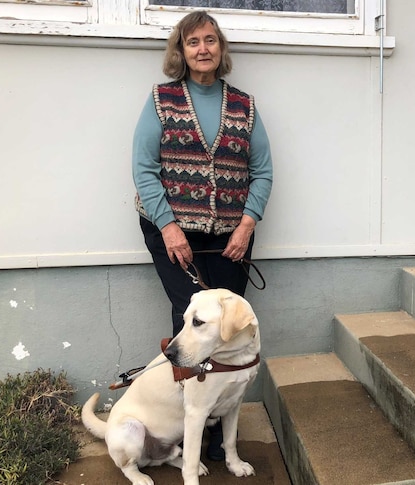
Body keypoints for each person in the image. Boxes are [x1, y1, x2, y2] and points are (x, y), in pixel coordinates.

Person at [131, 10, 273, 462]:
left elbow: (263, 171)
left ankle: (215, 439)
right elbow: (144, 170)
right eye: (193, 42)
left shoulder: (244, 106)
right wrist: (169, 227)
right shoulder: (162, 99)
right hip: (172, 233)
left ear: (221, 47)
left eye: (211, 40)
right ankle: (188, 421)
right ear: (181, 50)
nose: (203, 48)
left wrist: (247, 223)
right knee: (188, 320)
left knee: (227, 328)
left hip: (231, 236)